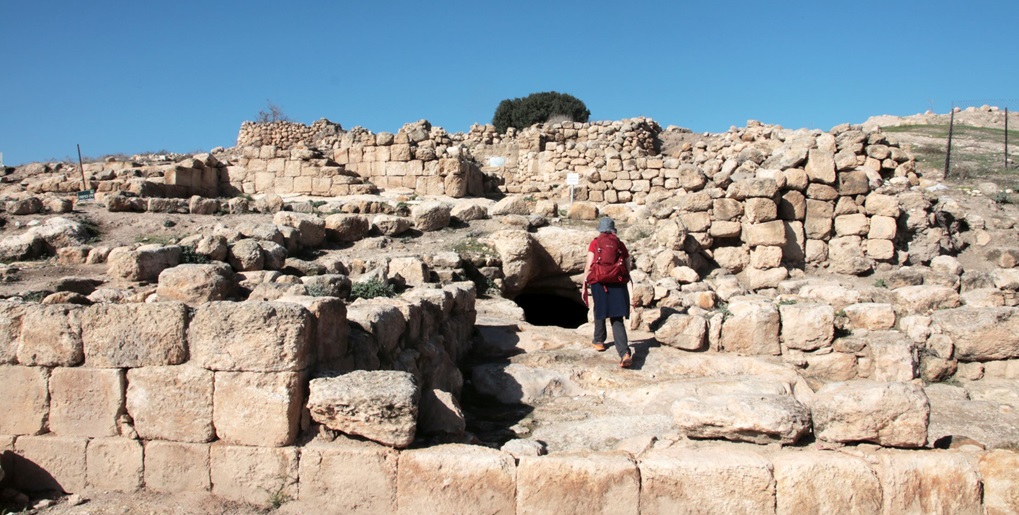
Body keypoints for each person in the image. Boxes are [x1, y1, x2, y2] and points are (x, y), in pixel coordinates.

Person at [583, 216, 633, 368]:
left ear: (600, 229)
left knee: (600, 308)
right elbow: (627, 264)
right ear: (613, 230)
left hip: (599, 281)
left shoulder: (595, 243)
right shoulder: (619, 244)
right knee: (617, 318)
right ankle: (624, 353)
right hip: (617, 282)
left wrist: (584, 283)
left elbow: (589, 264)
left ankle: (599, 341)